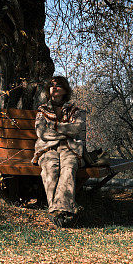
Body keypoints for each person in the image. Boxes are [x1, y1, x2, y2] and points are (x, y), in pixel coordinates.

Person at [32, 76, 85, 227]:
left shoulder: (75, 110)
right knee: (51, 168)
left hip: (70, 147)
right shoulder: (42, 110)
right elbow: (42, 133)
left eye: (58, 86)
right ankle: (58, 211)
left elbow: (76, 129)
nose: (54, 88)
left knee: (68, 168)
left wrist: (54, 127)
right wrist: (64, 130)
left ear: (65, 90)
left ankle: (58, 211)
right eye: (52, 86)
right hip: (47, 148)